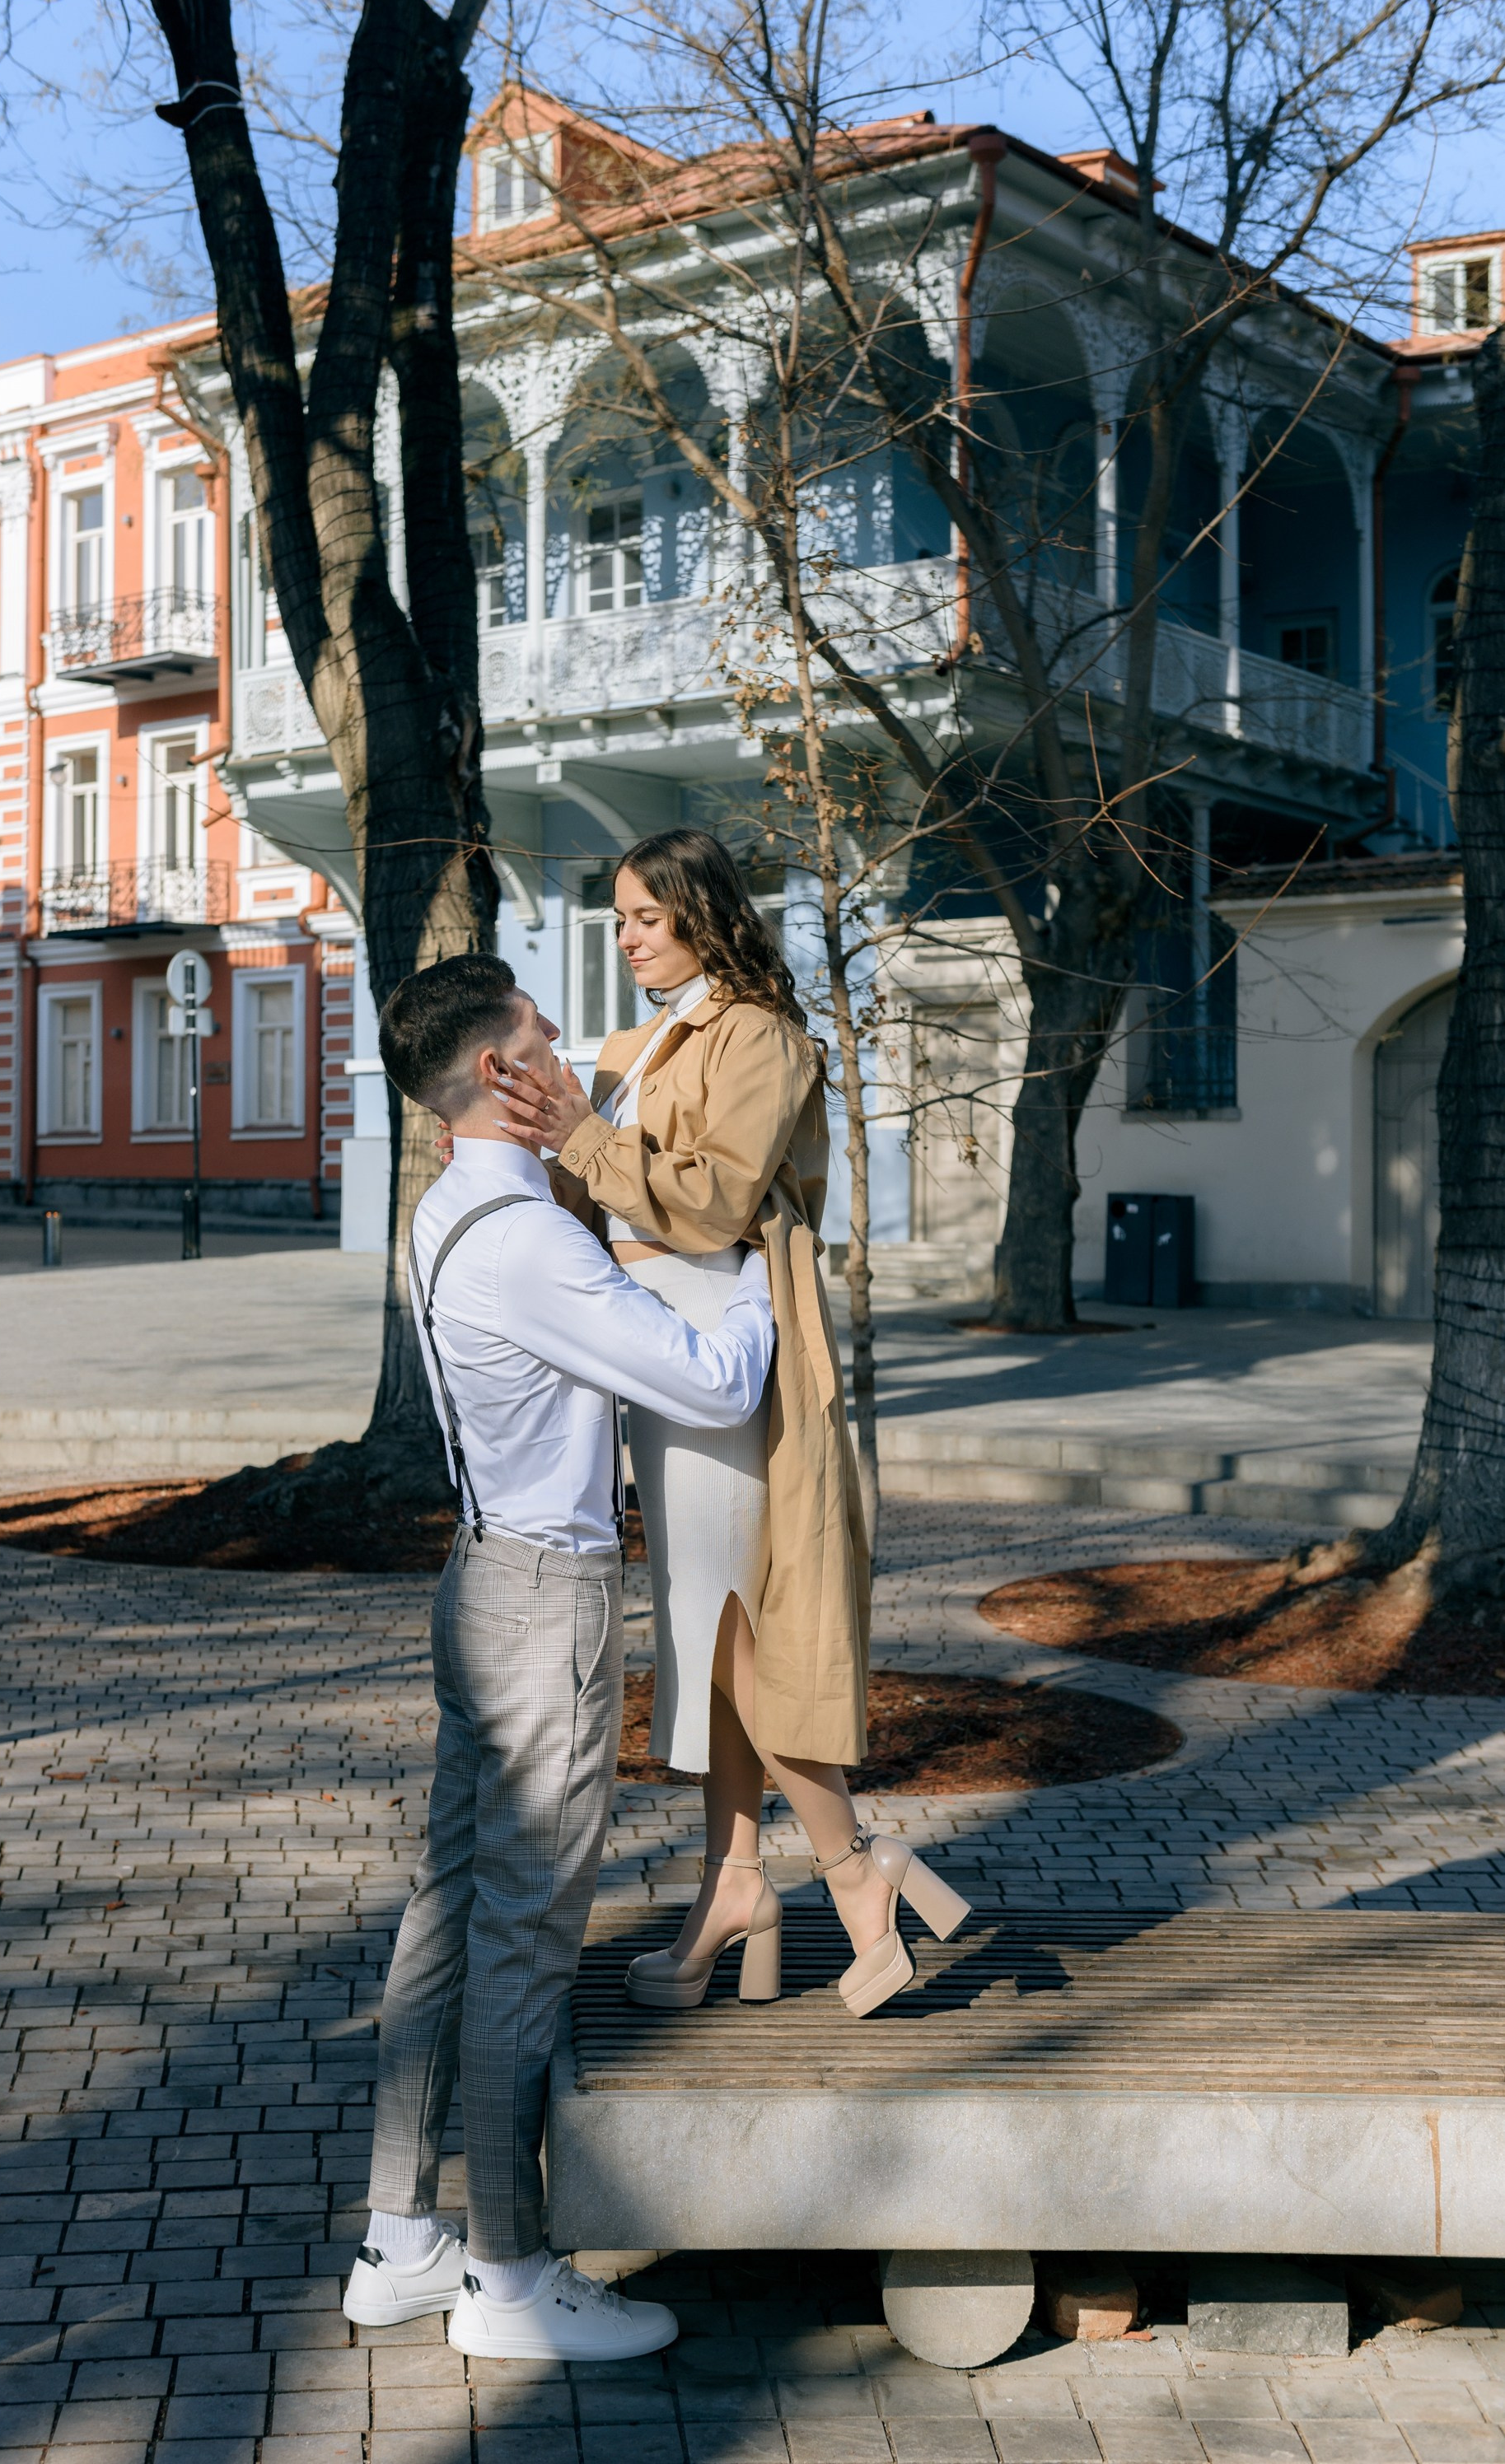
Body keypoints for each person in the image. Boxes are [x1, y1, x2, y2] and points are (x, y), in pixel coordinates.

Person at [341, 952, 777, 2364]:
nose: (567, 1041)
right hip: (544, 1600)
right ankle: (514, 2281)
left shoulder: (452, 1208)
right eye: (539, 1031)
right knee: (524, 1937)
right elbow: (713, 1379)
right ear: (496, 1077)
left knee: (449, 1913)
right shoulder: (529, 1240)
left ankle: (401, 2244)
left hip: (479, 1580)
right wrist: (766, 1264)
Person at [493, 829, 969, 2024]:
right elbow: (595, 1188)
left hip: (719, 1342)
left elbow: (706, 1207)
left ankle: (855, 1872)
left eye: (646, 916)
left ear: (705, 916)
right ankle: (734, 1885)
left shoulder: (755, 1035)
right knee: (704, 1631)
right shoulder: (634, 1041)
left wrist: (574, 1133)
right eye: (617, 919)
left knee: (727, 1633)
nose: (627, 936)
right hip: (652, 1348)